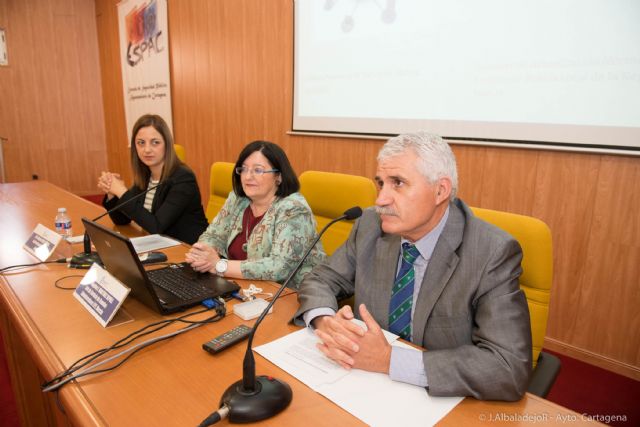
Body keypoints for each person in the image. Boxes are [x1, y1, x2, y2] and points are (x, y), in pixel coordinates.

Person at [293, 131, 532, 401]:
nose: (380, 200)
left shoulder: (491, 252)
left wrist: (388, 360)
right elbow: (320, 279)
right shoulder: (370, 224)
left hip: (440, 399)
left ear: (440, 190)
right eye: (381, 183)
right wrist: (325, 322)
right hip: (361, 386)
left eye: (398, 183)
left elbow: (508, 367)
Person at [185, 140, 326, 288]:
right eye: (244, 169)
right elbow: (213, 236)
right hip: (241, 286)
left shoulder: (293, 209)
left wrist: (220, 265)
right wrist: (202, 255)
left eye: (258, 170)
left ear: (278, 176)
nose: (247, 177)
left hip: (290, 293)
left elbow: (279, 267)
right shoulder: (237, 199)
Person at [97, 114, 208, 245]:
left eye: (155, 142)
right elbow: (122, 220)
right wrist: (112, 193)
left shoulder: (183, 178)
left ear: (167, 144)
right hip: (161, 245)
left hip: (188, 249)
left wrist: (121, 191)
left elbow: (156, 226)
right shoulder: (146, 174)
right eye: (141, 143)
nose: (147, 149)